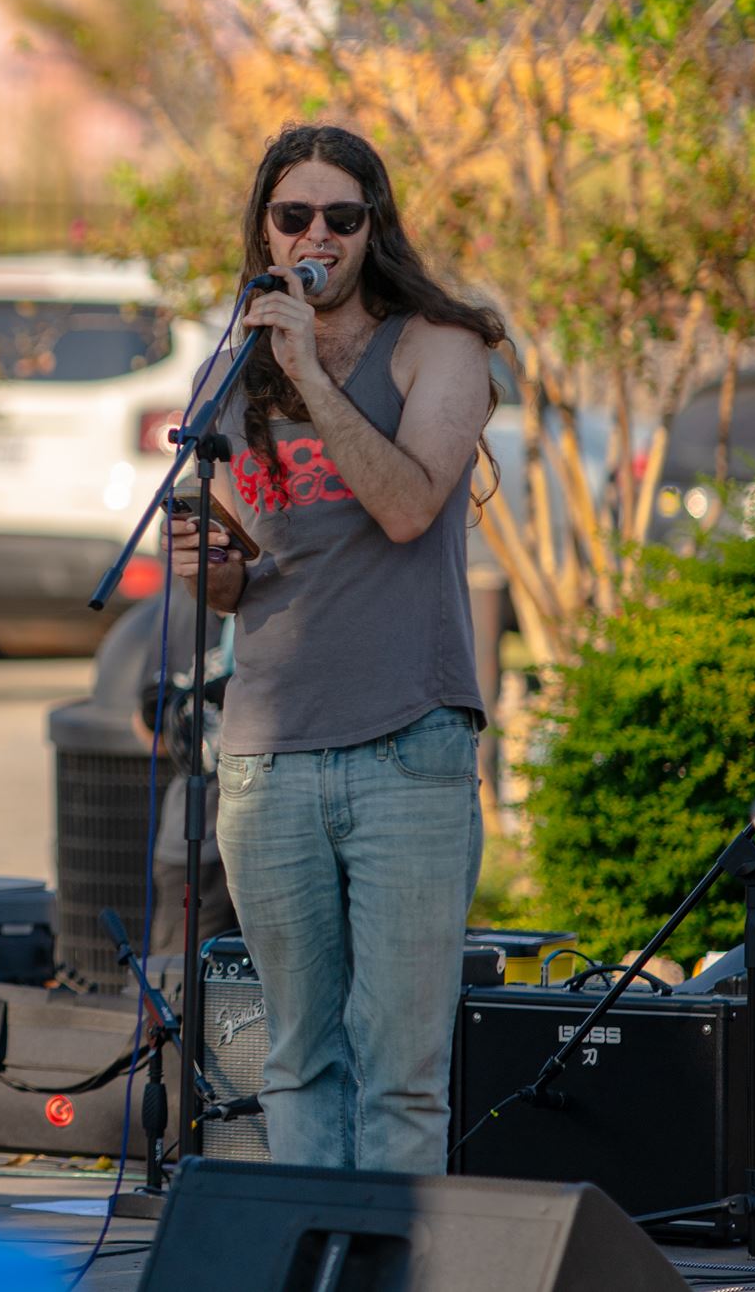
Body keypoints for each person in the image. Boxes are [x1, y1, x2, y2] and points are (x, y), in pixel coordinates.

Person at [165, 123, 503, 1174]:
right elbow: (236, 580)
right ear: (262, 228)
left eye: (340, 217)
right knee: (296, 1058)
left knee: (398, 1067)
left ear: (372, 227)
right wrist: (199, 562)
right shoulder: (231, 369)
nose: (316, 234)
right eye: (292, 215)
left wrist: (309, 371)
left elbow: (405, 505)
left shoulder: (436, 347)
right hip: (269, 745)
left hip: (408, 741)